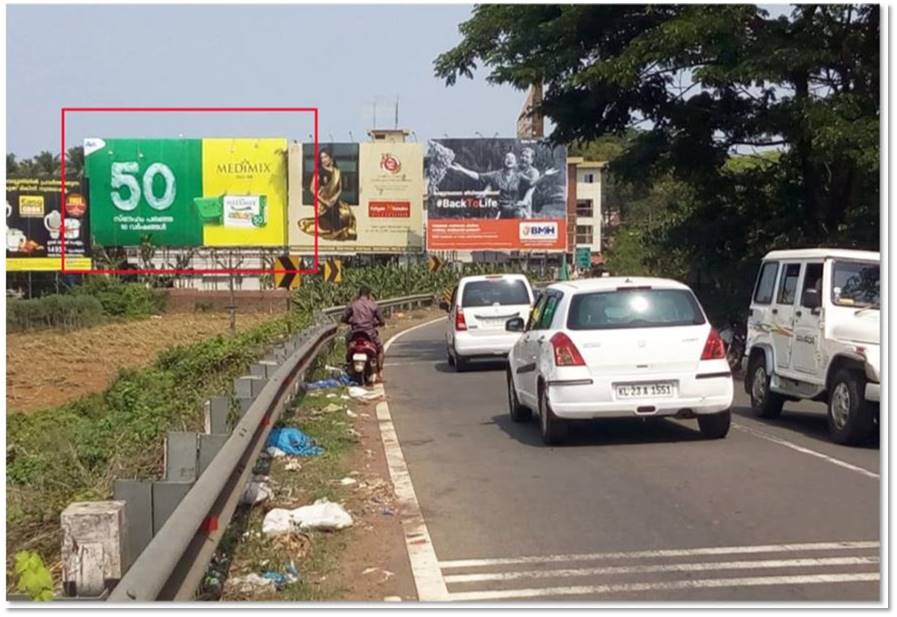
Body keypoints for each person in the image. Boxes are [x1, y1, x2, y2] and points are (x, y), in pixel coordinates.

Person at [298, 150, 357, 241]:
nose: (323, 160)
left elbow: (339, 189)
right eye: (321, 158)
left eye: (325, 157)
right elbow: (312, 189)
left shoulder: (337, 172)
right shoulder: (319, 171)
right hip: (322, 204)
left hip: (334, 202)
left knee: (346, 216)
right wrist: (325, 202)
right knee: (327, 224)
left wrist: (334, 199)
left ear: (330, 158)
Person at [341, 285, 386, 383]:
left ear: (359, 294)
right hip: (370, 334)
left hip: (355, 334)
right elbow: (382, 321)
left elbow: (343, 318)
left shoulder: (353, 305)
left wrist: (351, 322)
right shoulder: (373, 305)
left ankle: (349, 363)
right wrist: (376, 323)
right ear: (369, 295)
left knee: (347, 341)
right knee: (380, 349)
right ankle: (380, 372)